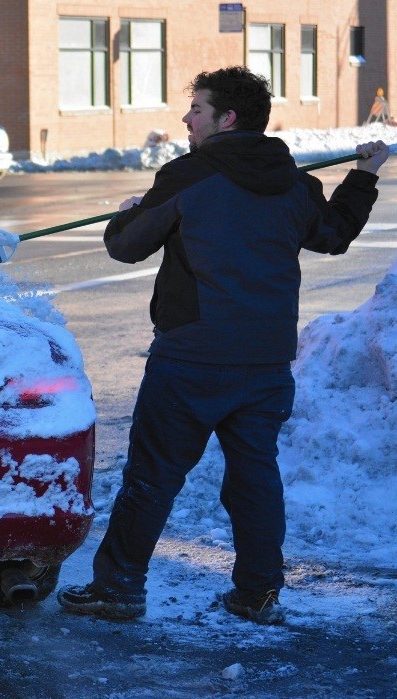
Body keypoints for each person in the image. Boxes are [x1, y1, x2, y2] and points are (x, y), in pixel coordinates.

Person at [57, 66, 389, 625]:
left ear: (225, 118)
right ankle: (258, 593)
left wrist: (126, 216)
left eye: (197, 109)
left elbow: (126, 247)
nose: (187, 119)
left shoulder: (189, 175)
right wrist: (363, 175)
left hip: (190, 359)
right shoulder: (294, 182)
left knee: (153, 476)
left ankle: (117, 589)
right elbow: (333, 236)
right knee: (255, 479)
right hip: (265, 363)